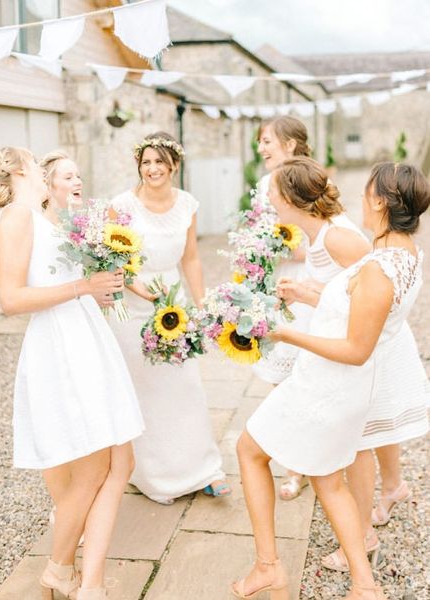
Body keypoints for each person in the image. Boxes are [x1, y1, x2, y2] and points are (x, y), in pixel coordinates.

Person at [232, 160, 429, 600]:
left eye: (366, 192)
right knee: (327, 479)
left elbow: (357, 349)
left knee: (248, 450)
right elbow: (356, 310)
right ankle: (364, 585)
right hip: (332, 385)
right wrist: (307, 294)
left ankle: (269, 566)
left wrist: (284, 332)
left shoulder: (379, 268)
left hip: (328, 386)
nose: (359, 198)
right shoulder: (403, 256)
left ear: (380, 201)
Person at [0, 147, 144, 600]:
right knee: (96, 465)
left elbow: (51, 282)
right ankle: (61, 569)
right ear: (21, 170)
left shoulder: (44, 218)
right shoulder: (16, 217)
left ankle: (83, 577)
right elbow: (11, 299)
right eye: (36, 163)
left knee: (120, 461)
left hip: (84, 334)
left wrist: (94, 292)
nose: (41, 168)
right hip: (61, 346)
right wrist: (83, 287)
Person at [109, 132, 229, 504]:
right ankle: (150, 474)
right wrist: (137, 287)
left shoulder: (188, 204)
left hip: (173, 306)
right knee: (144, 391)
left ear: (173, 165)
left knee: (185, 386)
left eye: (159, 161)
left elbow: (190, 258)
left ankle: (203, 469)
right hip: (134, 307)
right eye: (146, 162)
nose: (152, 168)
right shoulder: (122, 206)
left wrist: (202, 305)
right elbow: (113, 260)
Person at [255, 122, 371, 501]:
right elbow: (339, 291)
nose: (269, 201)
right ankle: (311, 468)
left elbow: (372, 289)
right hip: (325, 322)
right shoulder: (318, 230)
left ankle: (359, 513)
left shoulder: (336, 236)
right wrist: (305, 292)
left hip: (352, 345)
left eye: (273, 195)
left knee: (359, 434)